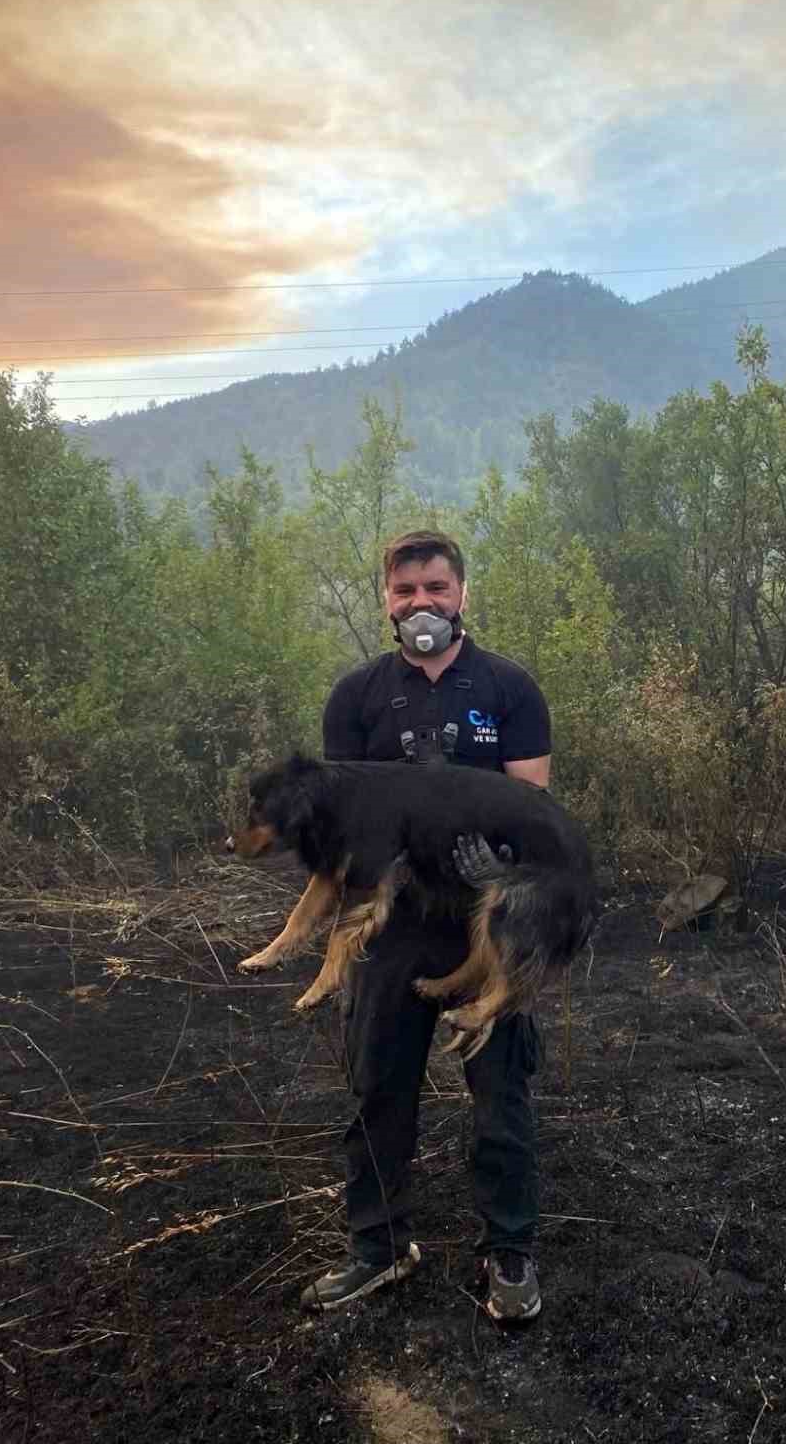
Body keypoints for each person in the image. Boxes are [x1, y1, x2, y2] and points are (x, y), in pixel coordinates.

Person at [301, 529, 552, 1319]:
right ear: (386, 599)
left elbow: (532, 813)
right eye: (406, 592)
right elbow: (339, 825)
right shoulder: (357, 697)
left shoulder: (510, 690)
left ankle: (508, 1252)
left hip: (487, 929)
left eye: (435, 590)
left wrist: (499, 865)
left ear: (462, 595)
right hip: (390, 929)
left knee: (502, 1095)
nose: (422, 606)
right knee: (379, 1087)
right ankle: (377, 1247)